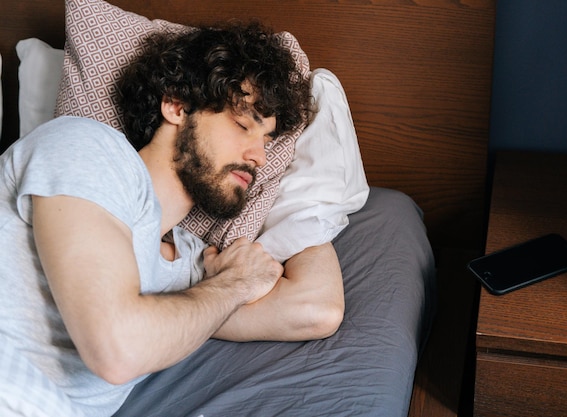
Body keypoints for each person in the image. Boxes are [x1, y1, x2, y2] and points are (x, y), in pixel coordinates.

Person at [0, 22, 344, 417]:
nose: (260, 158)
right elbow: (118, 351)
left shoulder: (195, 266)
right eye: (243, 124)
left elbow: (318, 311)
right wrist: (233, 285)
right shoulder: (86, 148)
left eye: (267, 141)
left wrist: (305, 203)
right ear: (177, 106)